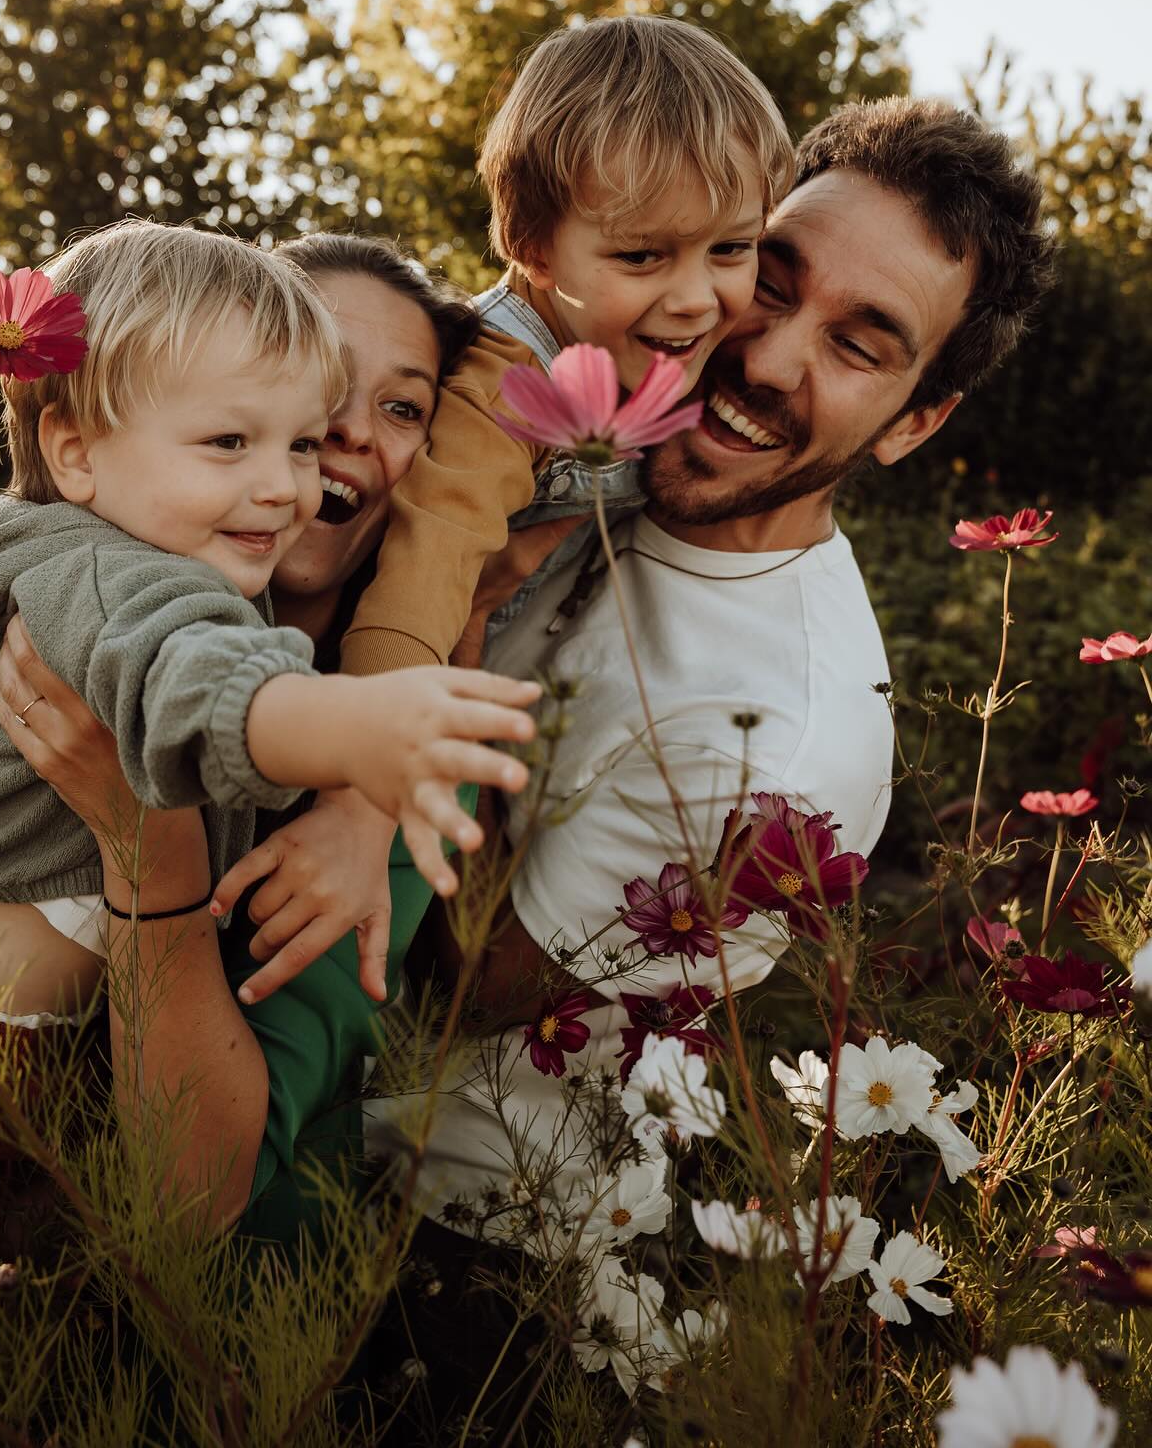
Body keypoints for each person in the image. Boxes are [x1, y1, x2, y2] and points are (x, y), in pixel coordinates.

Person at [353, 95, 1057, 1438]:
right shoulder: (579, 446)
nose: (766, 353)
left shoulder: (782, 741)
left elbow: (454, 985)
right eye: (766, 278)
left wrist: (441, 626)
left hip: (446, 1277)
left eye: (860, 345)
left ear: (914, 422)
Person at [0, 221, 539, 1214]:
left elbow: (200, 1192)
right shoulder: (110, 580)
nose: (289, 479)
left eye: (304, 436)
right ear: (75, 448)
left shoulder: (177, 575)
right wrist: (362, 724)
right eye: (232, 439)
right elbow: (199, 680)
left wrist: (443, 633)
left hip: (47, 1080)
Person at [336, 16, 794, 681]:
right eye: (642, 255)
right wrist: (376, 735)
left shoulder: (651, 352)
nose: (696, 297)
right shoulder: (507, 383)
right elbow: (429, 565)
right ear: (534, 248)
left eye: (731, 247)